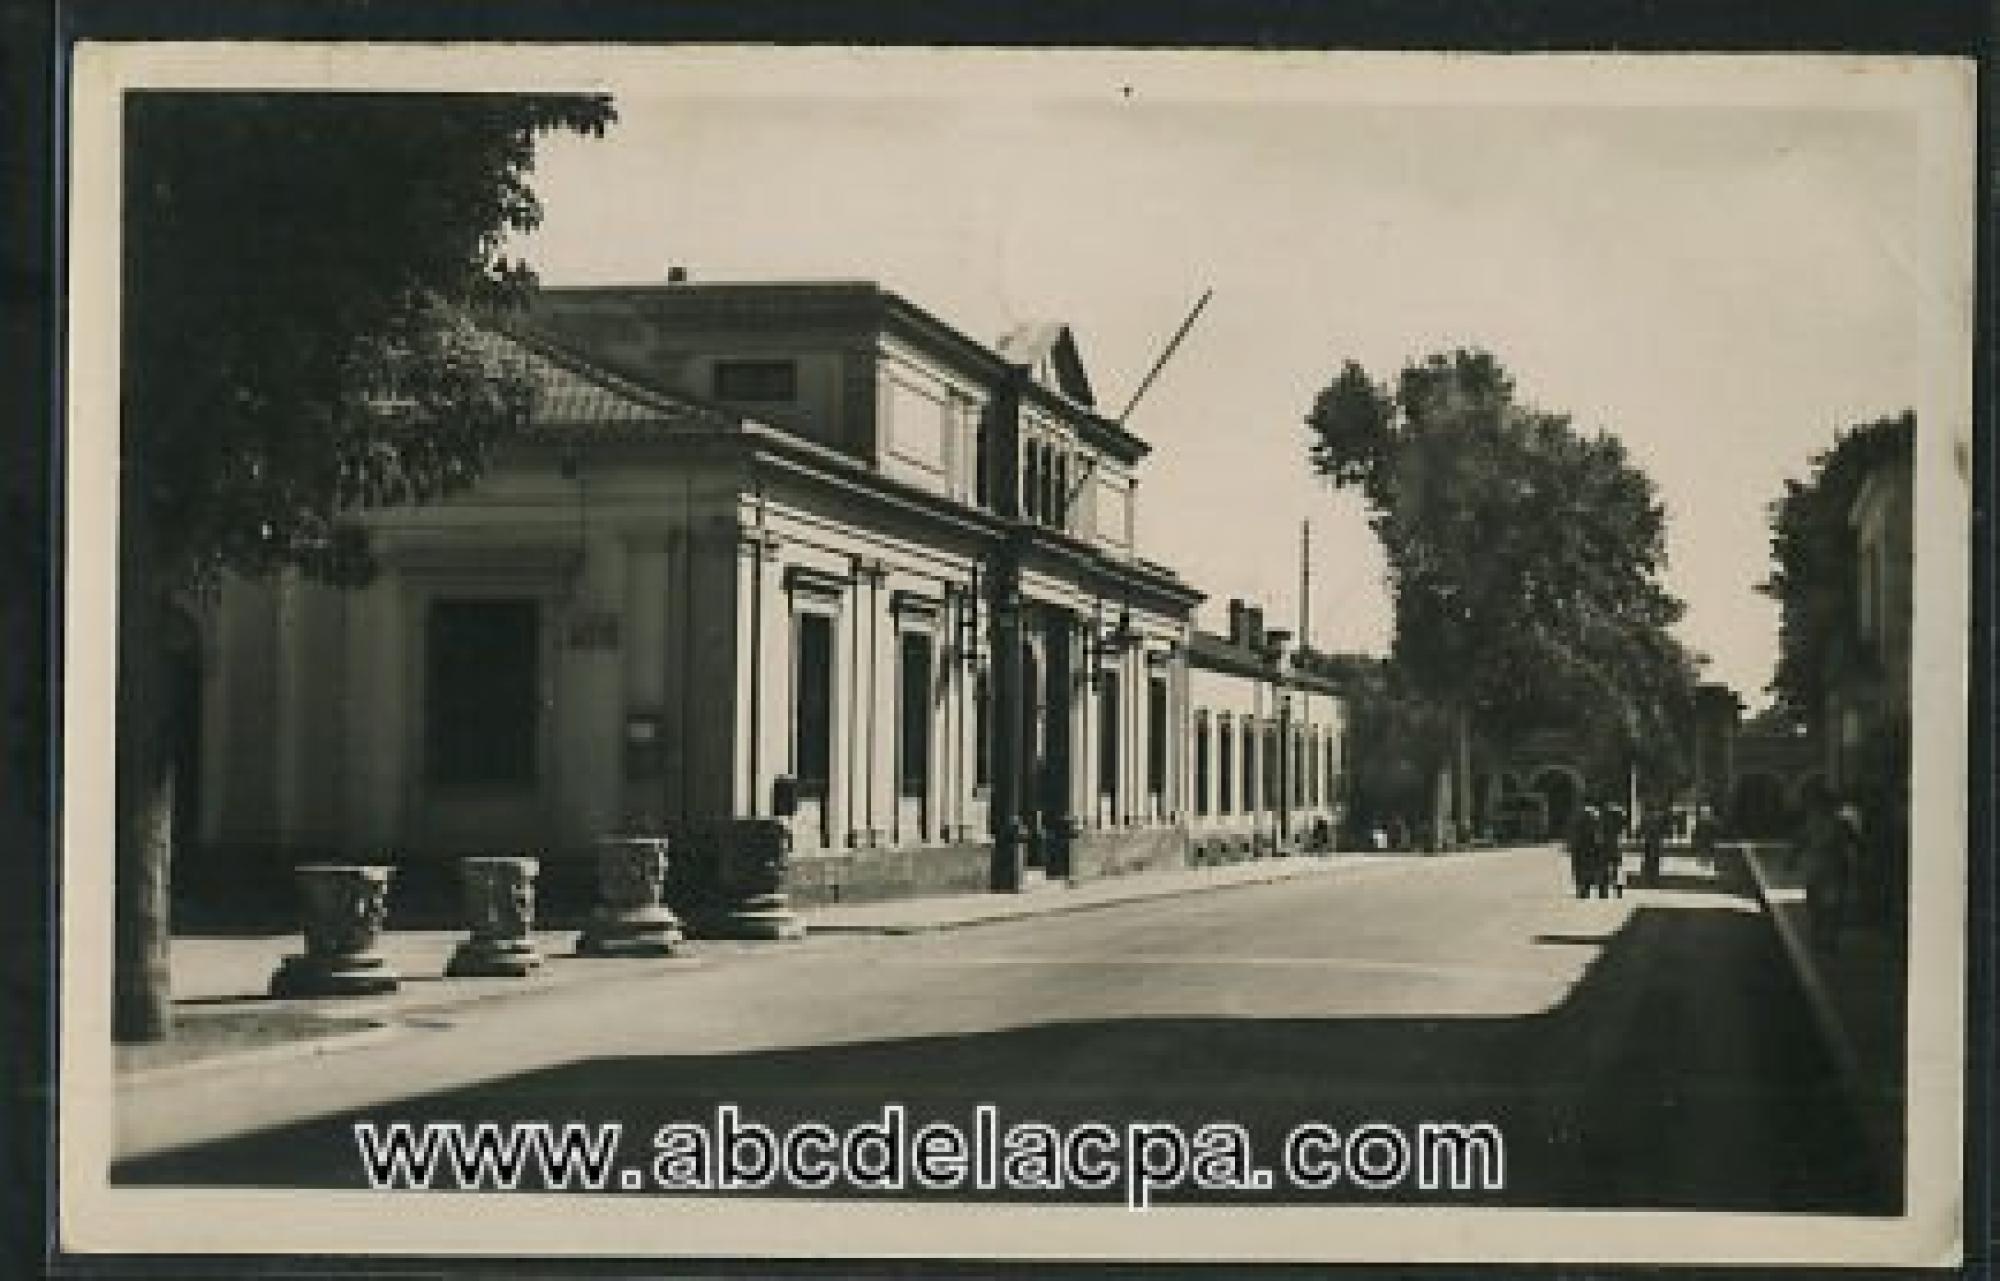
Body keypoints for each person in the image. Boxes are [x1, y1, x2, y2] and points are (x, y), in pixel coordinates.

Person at [1799, 786, 1859, 953]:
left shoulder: (1839, 823)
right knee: (1818, 902)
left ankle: (1828, 937)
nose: (1819, 808)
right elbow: (1802, 840)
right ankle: (1822, 936)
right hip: (1822, 865)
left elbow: (1853, 842)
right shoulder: (1816, 821)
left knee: (1830, 904)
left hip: (1831, 866)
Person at [1567, 804, 1601, 899]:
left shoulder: (1579, 825)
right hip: (1584, 848)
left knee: (1582, 869)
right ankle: (1584, 888)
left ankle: (1583, 888)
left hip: (1583, 848)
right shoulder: (1593, 826)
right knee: (1585, 869)